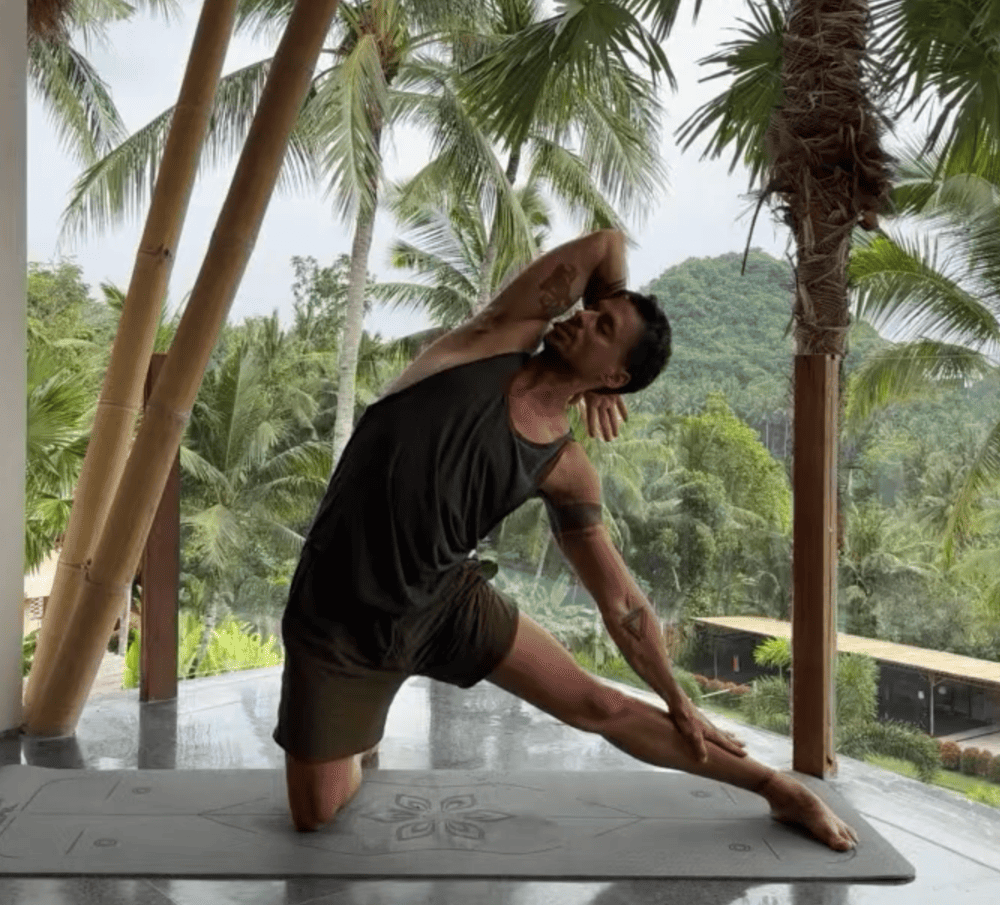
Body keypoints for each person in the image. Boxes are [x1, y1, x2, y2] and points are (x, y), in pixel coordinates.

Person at [273, 228, 859, 852]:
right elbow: (605, 244)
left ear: (616, 376)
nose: (581, 317)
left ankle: (778, 790)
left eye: (603, 328)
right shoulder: (490, 340)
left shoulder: (565, 466)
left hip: (445, 604)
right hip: (338, 611)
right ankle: (357, 738)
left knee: (597, 705)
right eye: (592, 310)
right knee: (315, 814)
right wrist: (609, 329)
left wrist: (678, 699)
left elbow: (621, 602)